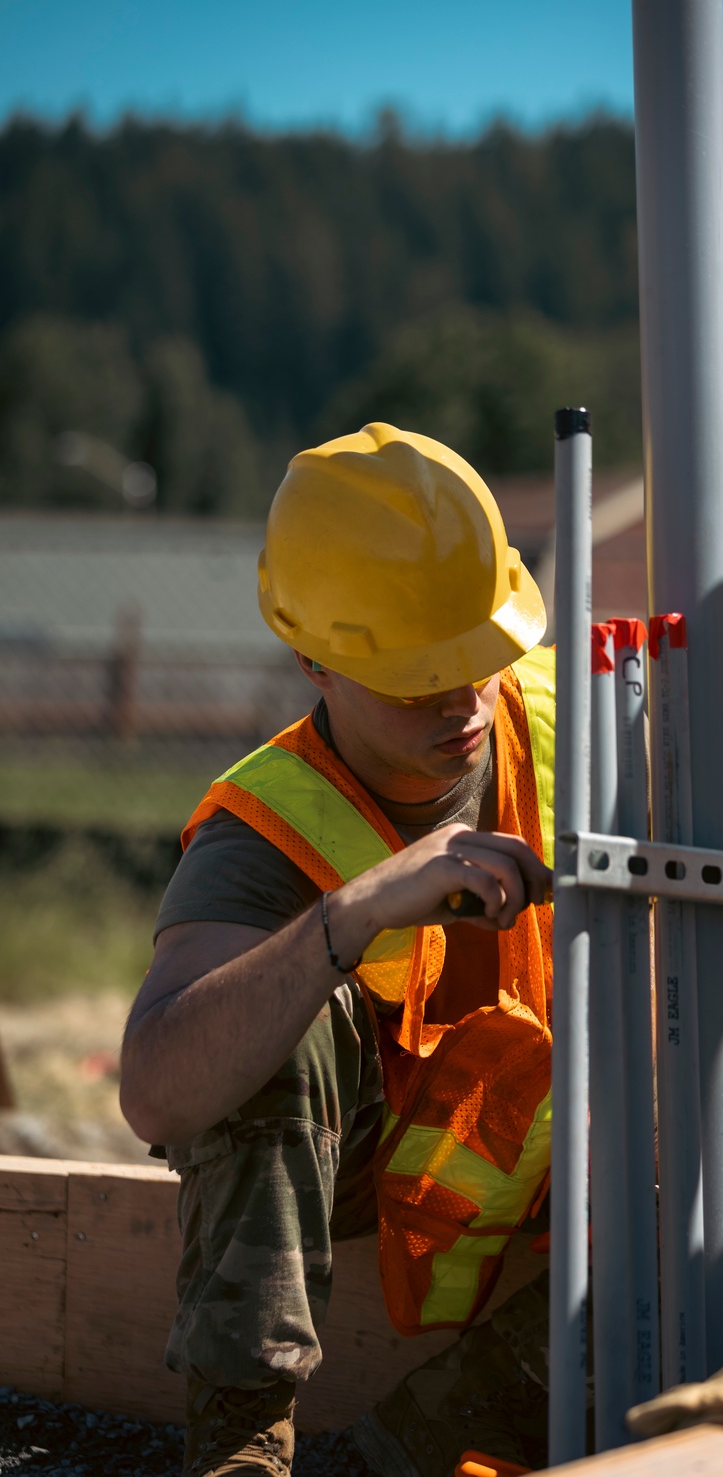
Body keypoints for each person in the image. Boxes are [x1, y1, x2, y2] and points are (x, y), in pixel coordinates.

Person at [120, 424, 559, 1477]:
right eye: (421, 678)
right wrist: (346, 918)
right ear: (313, 657)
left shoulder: (579, 720)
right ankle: (242, 1446)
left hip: (560, 1140)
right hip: (369, 1180)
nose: (463, 700)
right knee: (272, 1016)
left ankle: (410, 1446)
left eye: (480, 657)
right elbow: (158, 1091)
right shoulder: (266, 832)